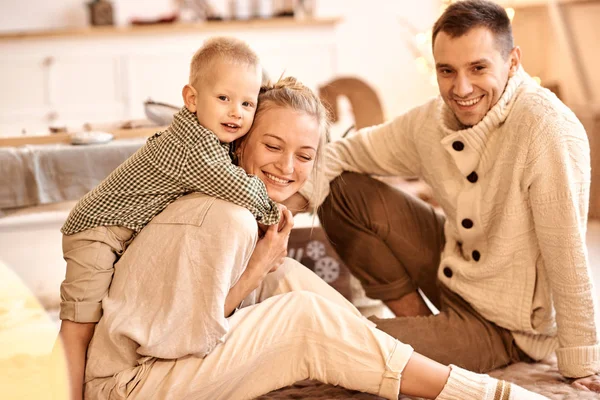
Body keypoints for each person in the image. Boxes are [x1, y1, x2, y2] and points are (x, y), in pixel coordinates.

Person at [78, 76, 547, 400]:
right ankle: (470, 391)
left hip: (154, 370)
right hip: (133, 386)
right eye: (273, 146)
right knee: (300, 316)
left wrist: (268, 267)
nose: (287, 168)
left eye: (304, 155)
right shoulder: (222, 216)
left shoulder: (234, 206)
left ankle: (403, 371)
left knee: (291, 282)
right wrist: (261, 266)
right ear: (240, 142)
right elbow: (183, 337)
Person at [285, 0, 600, 392]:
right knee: (343, 189)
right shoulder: (433, 120)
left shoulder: (546, 129)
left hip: (507, 325)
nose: (461, 88)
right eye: (447, 71)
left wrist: (580, 361)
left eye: (478, 68)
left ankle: (428, 337)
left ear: (513, 62)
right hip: (457, 270)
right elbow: (343, 154)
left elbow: (566, 251)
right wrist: (279, 210)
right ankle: (422, 322)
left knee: (350, 341)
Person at [55, 36, 281, 399]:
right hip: (96, 232)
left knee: (95, 323)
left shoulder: (209, 139)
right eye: (223, 98)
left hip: (119, 232)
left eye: (247, 103)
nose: (236, 112)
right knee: (79, 324)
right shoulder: (195, 147)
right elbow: (238, 188)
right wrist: (273, 213)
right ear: (192, 99)